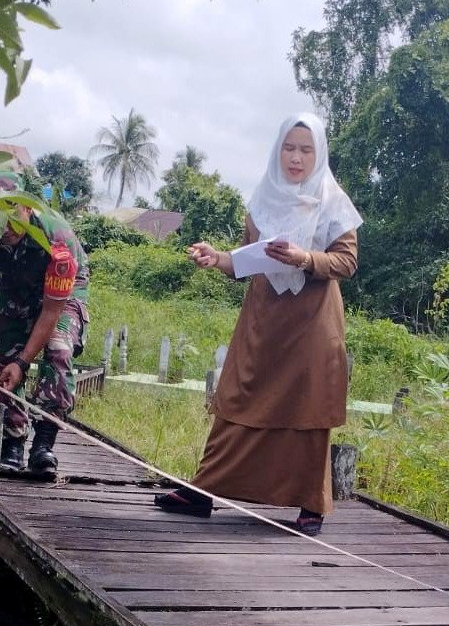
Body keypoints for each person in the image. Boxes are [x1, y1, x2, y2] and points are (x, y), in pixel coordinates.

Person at [153, 114, 361, 534]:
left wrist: (305, 258)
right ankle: (202, 490)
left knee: (308, 406)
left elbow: (347, 261)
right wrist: (218, 259)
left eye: (306, 150)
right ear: (277, 150)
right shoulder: (263, 198)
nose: (296, 158)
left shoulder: (332, 201)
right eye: (289, 148)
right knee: (237, 397)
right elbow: (248, 259)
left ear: (318, 154)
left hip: (313, 323)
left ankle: (311, 505)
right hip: (264, 318)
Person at [0, 174, 90, 477]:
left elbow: (51, 311)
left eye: (12, 218)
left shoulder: (57, 238)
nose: (5, 229)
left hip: (63, 293)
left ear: (27, 208)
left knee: (59, 350)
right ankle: (13, 441)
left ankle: (44, 444)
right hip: (13, 285)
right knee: (1, 356)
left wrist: (23, 362)